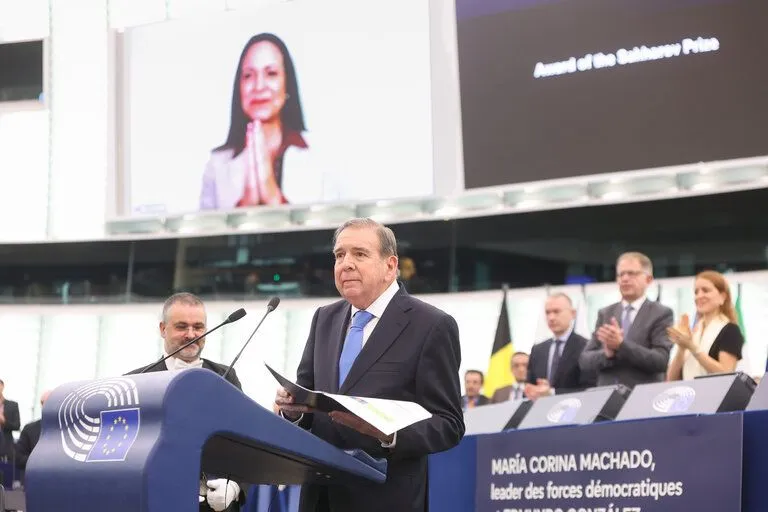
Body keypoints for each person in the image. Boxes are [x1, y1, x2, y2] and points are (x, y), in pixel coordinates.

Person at [274, 218, 464, 512]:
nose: (346, 263)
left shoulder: (432, 325)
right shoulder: (324, 318)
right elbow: (310, 400)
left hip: (385, 499)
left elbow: (449, 424)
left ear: (390, 266)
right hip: (319, 497)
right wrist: (292, 411)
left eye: (359, 254)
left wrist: (388, 435)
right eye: (339, 255)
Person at [126, 293, 244, 512]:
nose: (191, 334)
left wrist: (235, 486)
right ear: (163, 329)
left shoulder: (227, 377)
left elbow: (245, 441)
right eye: (182, 326)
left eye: (198, 327)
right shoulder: (135, 382)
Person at [200, 33, 338, 210]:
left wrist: (275, 198)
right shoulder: (216, 164)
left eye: (271, 73)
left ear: (287, 84)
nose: (259, 86)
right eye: (248, 75)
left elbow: (334, 231)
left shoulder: (320, 155)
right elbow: (206, 235)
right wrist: (244, 204)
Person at [579, 252, 673, 388]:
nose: (625, 279)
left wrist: (622, 345)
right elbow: (585, 360)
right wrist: (607, 355)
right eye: (620, 275)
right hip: (608, 398)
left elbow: (660, 361)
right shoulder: (605, 313)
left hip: (642, 396)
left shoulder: (661, 313)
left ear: (648, 279)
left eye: (632, 274)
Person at [666, 271, 744, 381]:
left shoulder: (730, 330)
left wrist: (692, 347)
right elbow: (671, 379)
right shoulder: (695, 331)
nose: (699, 296)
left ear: (722, 296)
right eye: (696, 292)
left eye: (705, 290)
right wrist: (682, 347)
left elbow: (726, 374)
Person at [525, 293, 596, 400]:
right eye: (547, 313)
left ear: (573, 314)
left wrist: (552, 392)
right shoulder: (538, 350)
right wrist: (534, 390)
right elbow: (530, 384)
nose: (551, 317)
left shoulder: (586, 346)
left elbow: (590, 389)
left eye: (556, 312)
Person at [15, 390, 52, 477]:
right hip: (35, 478)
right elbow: (19, 458)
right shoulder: (30, 429)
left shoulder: (69, 429)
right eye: (47, 403)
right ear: (42, 405)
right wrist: (40, 461)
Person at [0, 379, 20, 461]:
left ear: (2, 386)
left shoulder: (12, 405)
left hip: (5, 448)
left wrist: (4, 422)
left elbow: (17, 426)